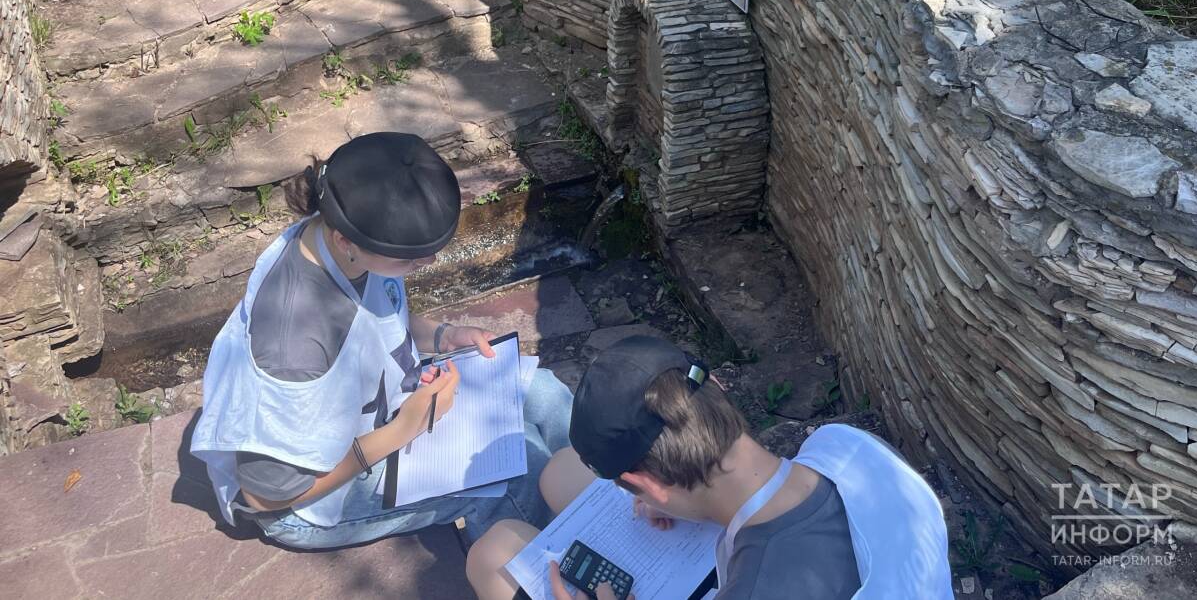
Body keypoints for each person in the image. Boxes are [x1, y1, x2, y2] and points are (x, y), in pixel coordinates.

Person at [191, 131, 574, 548]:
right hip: (311, 502)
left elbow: (376, 316)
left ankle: (602, 507)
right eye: (411, 256)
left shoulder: (343, 235)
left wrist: (445, 337)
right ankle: (555, 562)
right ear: (346, 242)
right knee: (517, 472)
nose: (428, 261)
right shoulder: (293, 348)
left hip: (388, 411)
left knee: (546, 394)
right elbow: (265, 495)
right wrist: (406, 427)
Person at [467, 336, 953, 599]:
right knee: (560, 471)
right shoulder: (845, 444)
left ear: (647, 484)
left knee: (492, 554)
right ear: (716, 386)